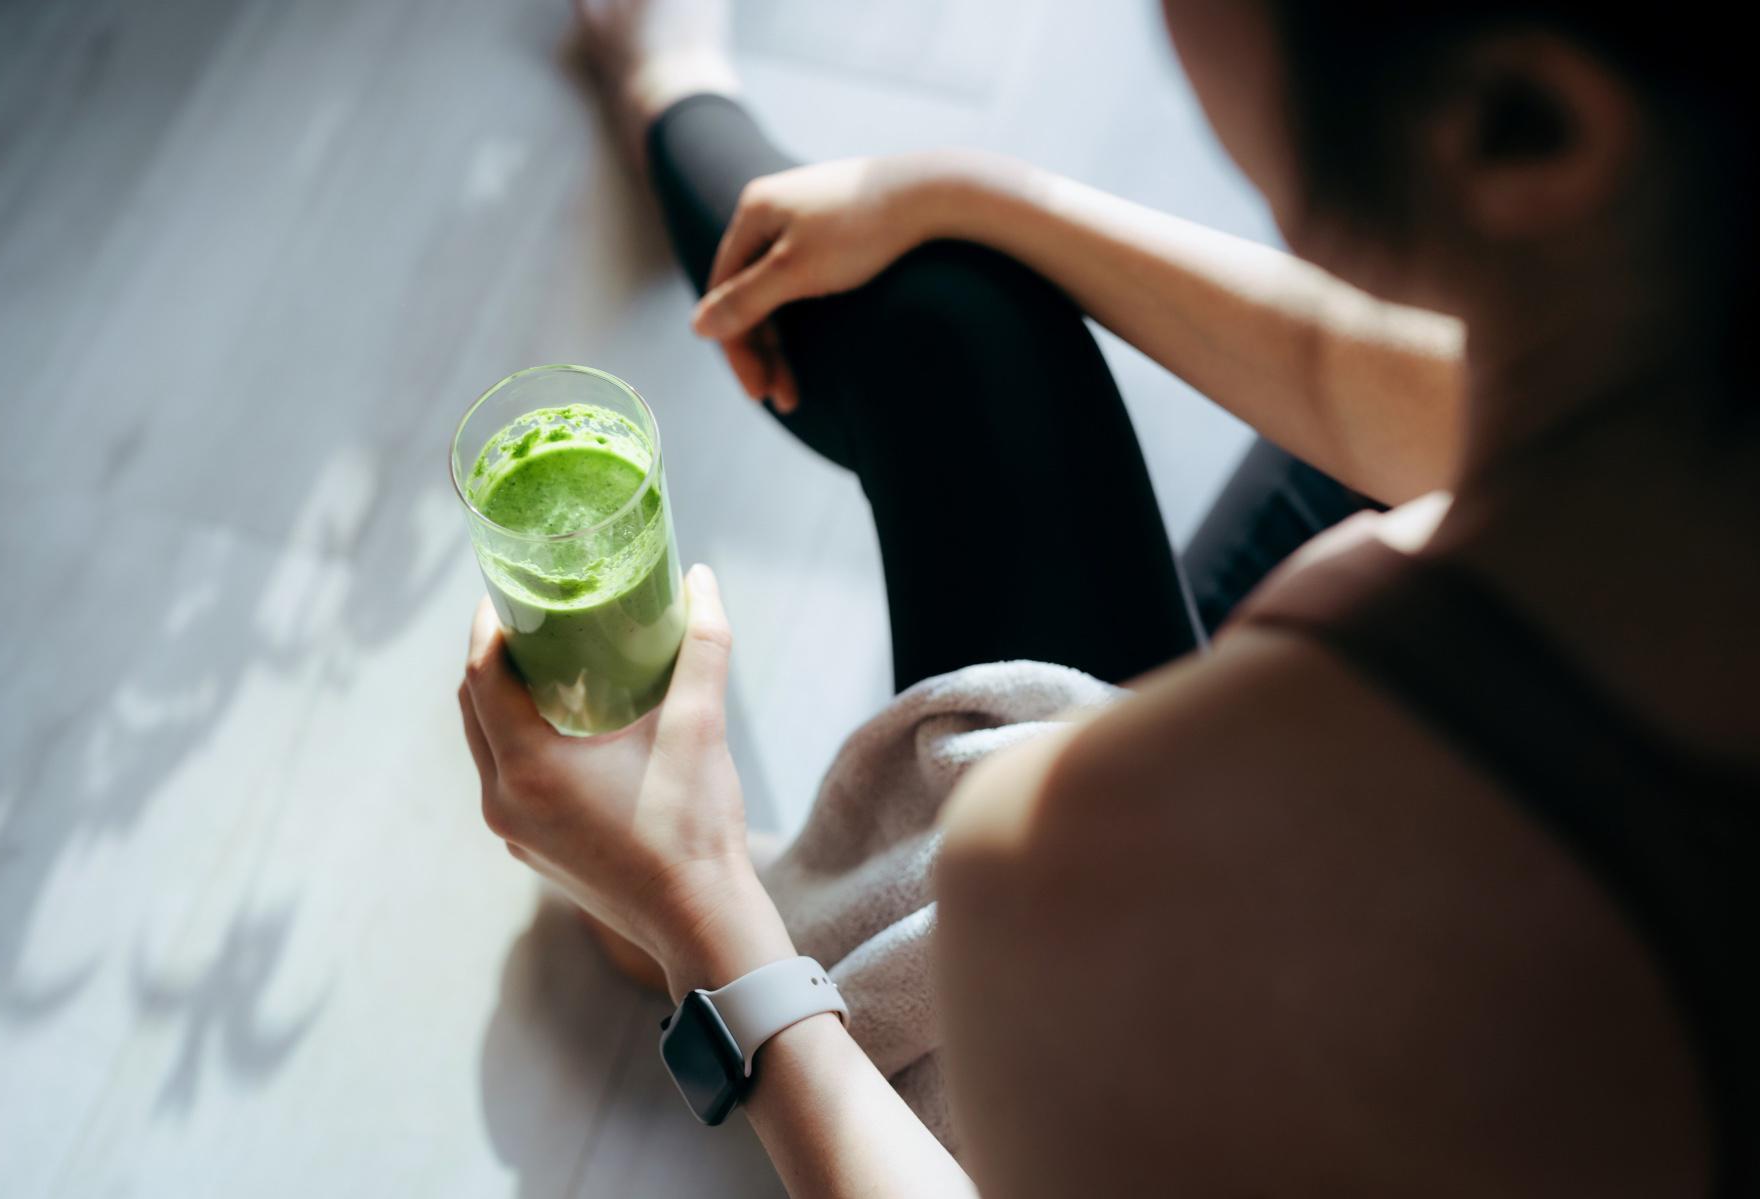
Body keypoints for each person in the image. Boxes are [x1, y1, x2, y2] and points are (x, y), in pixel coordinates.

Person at [455, 0, 1757, 1193]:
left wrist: (700, 914)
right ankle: (670, 71)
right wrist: (982, 196)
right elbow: (1409, 393)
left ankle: (698, 906)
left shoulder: (1092, 860)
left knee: (950, 340)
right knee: (956, 296)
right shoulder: (1666, 375)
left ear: (1523, 124)